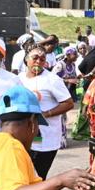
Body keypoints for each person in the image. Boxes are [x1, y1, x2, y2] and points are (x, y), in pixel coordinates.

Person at [20, 45, 74, 181]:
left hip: (45, 140)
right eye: (35, 58)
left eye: (42, 59)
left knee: (38, 179)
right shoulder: (19, 79)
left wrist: (46, 114)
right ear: (26, 60)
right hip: (24, 138)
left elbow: (68, 103)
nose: (38, 61)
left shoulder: (52, 80)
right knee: (23, 178)